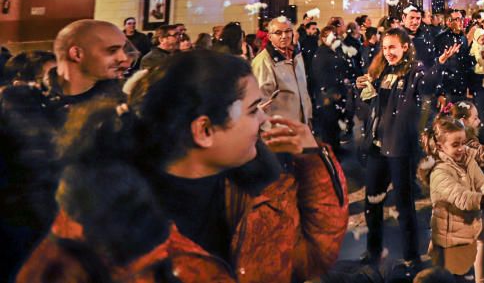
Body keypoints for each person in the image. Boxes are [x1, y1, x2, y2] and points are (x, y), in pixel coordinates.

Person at [17, 49, 349, 282]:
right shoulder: (93, 239)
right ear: (204, 130)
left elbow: (313, 257)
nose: (264, 118)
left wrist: (311, 159)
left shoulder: (256, 194)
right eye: (252, 110)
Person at [0, 20, 129, 279]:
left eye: (125, 50)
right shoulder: (15, 103)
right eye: (112, 50)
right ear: (76, 53)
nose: (124, 59)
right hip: (19, 249)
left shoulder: (123, 111)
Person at [356, 27, 440, 267]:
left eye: (392, 47)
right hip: (376, 146)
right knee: (372, 201)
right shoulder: (379, 70)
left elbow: (428, 84)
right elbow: (367, 106)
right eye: (384, 47)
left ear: (405, 47)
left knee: (404, 205)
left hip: (399, 148)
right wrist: (362, 92)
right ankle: (373, 250)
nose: (388, 52)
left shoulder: (415, 71)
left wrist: (440, 65)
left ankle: (411, 256)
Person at [422, 116, 484, 283]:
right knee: (454, 274)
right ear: (440, 146)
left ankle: (480, 279)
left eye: (463, 143)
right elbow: (462, 198)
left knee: (480, 244)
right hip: (450, 236)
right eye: (455, 145)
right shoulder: (439, 172)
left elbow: (481, 182)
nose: (461, 149)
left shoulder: (466, 158)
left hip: (468, 224)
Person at [252, 16, 313, 126]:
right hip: (279, 130)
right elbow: (260, 102)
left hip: (300, 125)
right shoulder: (263, 61)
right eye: (278, 33)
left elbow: (302, 90)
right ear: (269, 36)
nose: (284, 36)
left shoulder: (296, 55)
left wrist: (308, 117)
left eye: (288, 31)